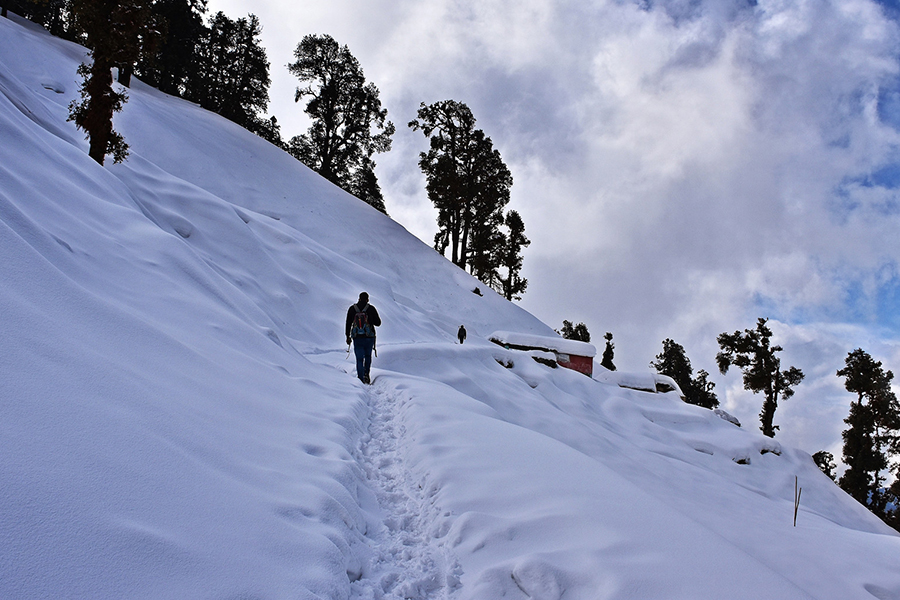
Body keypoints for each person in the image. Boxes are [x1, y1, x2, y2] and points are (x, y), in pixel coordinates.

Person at [345, 292, 381, 384]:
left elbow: (348, 323)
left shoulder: (353, 309)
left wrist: (347, 336)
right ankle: (366, 375)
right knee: (368, 356)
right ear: (367, 299)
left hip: (357, 337)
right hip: (369, 336)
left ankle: (360, 378)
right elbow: (378, 323)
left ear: (359, 298)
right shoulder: (371, 308)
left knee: (359, 358)